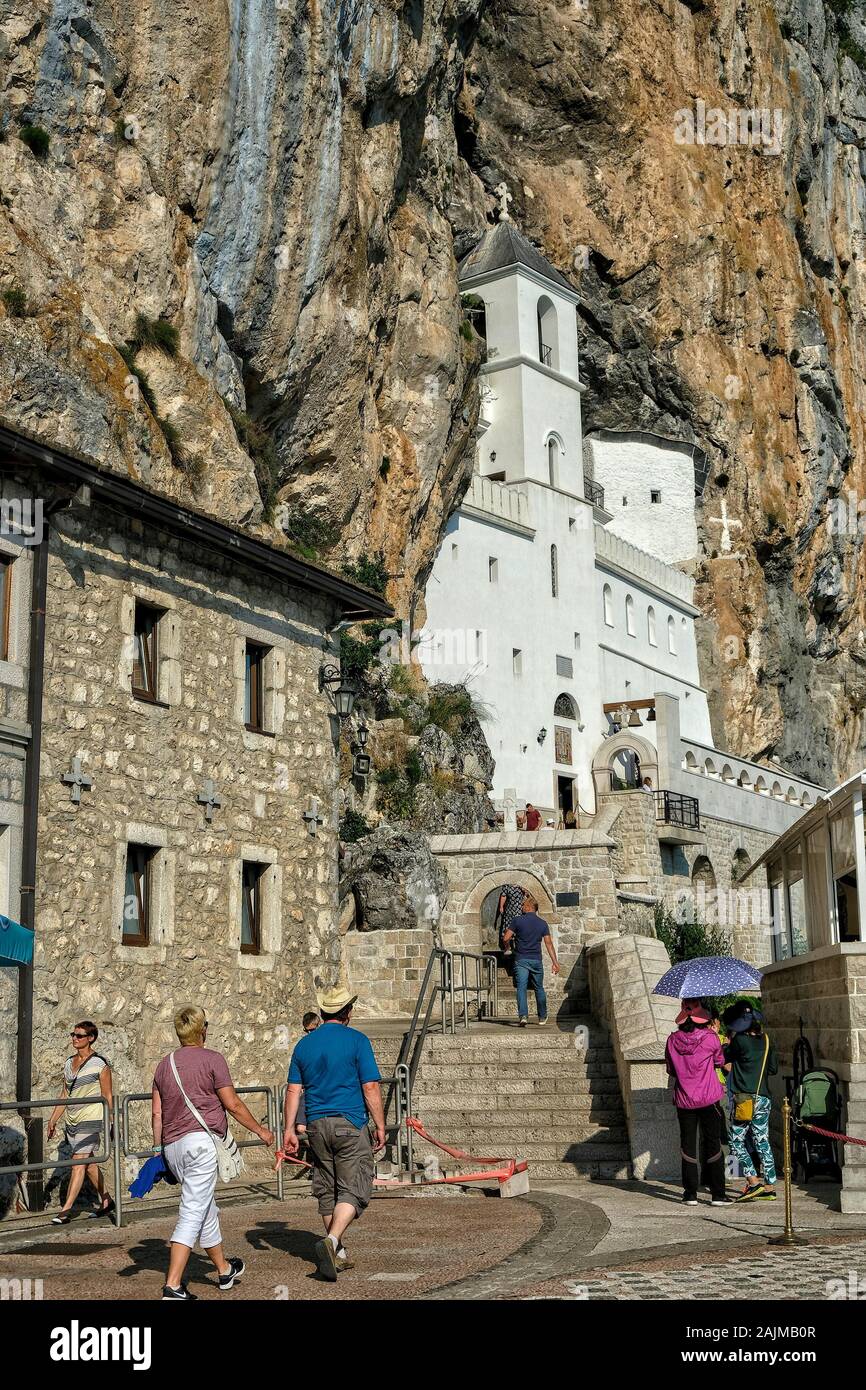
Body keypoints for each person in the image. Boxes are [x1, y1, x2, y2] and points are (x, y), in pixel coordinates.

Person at [152, 1005, 275, 1300]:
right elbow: (232, 1104)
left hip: (172, 1146)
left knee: (205, 1207)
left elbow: (157, 1112)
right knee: (192, 1210)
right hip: (200, 1145)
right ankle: (173, 1285)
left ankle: (223, 1270)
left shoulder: (163, 1065)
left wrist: (158, 1151)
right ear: (202, 1029)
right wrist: (261, 1131)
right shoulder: (213, 1060)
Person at [282, 986, 385, 1282]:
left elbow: (293, 1090)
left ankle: (336, 1256)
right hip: (349, 1122)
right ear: (348, 1012)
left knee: (327, 1188)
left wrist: (289, 1129)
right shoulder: (357, 1041)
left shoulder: (304, 1045)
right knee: (354, 1187)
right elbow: (370, 1087)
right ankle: (332, 1241)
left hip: (316, 1125)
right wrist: (379, 1125)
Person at [47, 1021, 114, 1224]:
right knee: (89, 1163)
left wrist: (110, 1121)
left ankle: (66, 1210)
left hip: (91, 1117)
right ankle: (106, 1201)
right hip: (73, 1119)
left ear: (90, 1038)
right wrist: (53, 1118)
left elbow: (108, 1095)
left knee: (78, 1161)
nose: (75, 1038)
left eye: (80, 1035)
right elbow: (66, 1093)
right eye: (73, 1034)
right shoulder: (69, 1063)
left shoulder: (100, 1064)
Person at [664, 1002, 731, 1206]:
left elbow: (671, 1070)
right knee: (713, 1143)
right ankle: (718, 1194)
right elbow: (719, 1061)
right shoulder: (710, 1038)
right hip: (709, 1097)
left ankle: (690, 1194)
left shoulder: (672, 1040)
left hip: (685, 1100)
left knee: (687, 1145)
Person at [723, 1003, 778, 1201]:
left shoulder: (740, 1041)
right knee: (762, 1141)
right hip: (763, 1097)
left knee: (736, 1142)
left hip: (744, 1099)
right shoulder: (767, 1040)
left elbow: (724, 1058)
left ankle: (753, 1182)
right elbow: (772, 1069)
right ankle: (770, 1185)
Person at [502, 894, 560, 1027]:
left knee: (521, 988)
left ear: (528, 907)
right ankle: (542, 1017)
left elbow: (506, 938)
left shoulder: (517, 921)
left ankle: (523, 1016)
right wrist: (555, 962)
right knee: (539, 988)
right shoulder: (543, 923)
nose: (521, 907)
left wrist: (508, 947)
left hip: (521, 959)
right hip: (536, 960)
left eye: (523, 905)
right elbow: (549, 944)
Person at [296, 1011, 320, 1139]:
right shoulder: (303, 1045)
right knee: (301, 1127)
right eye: (307, 1031)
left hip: (321, 1088)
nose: (310, 1034)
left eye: (313, 1030)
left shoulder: (324, 1043)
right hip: (308, 1088)